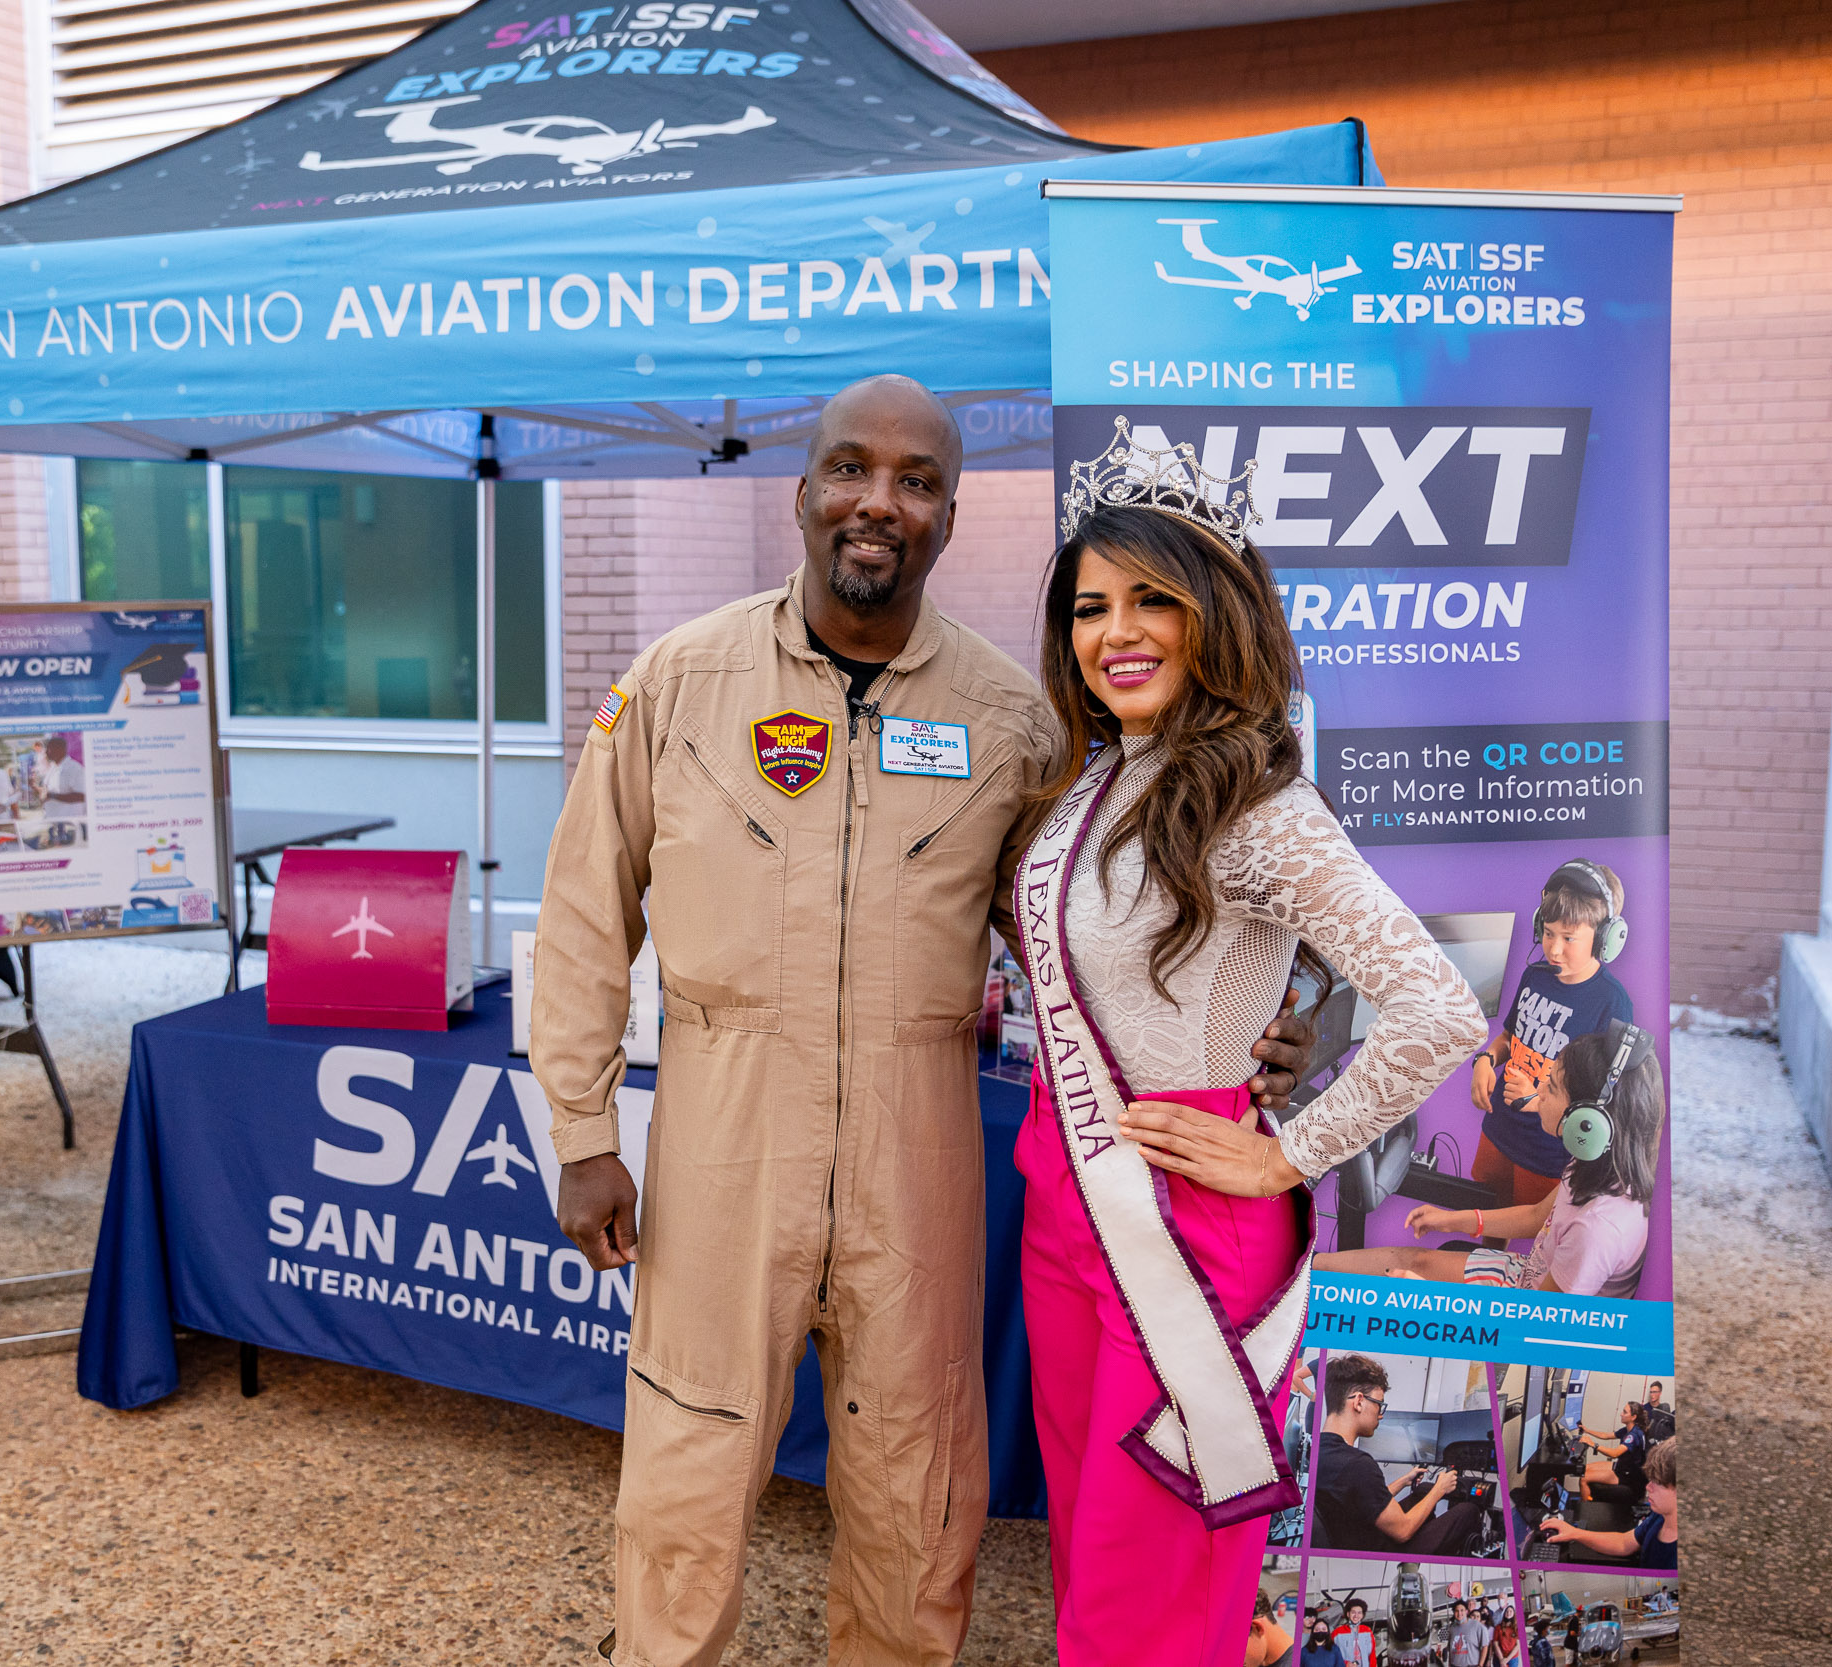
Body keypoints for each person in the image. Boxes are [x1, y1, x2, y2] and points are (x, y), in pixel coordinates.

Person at [528, 378, 1315, 1667]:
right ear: (801, 492)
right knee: (686, 1460)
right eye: (850, 468)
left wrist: (1258, 1022)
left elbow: (1098, 927)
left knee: (916, 1479)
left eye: (916, 481)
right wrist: (580, 1129)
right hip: (725, 1135)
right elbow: (582, 910)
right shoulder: (681, 680)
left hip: (921, 1149)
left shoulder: (1014, 722)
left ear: (950, 516)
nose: (877, 503)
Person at [1013, 431, 1485, 1663]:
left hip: (1183, 1223)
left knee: (1151, 1594)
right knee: (1092, 1563)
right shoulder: (1094, 779)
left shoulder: (1259, 806)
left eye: (1152, 599)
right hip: (1065, 1200)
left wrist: (1287, 1153)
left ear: (1213, 613)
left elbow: (1437, 1004)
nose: (1116, 631)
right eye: (1090, 607)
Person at [1319, 1024, 1660, 1299]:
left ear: (1588, 1124)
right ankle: (1309, 1268)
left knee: (1403, 1284)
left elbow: (1536, 1332)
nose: (1539, 1089)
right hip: (1526, 1278)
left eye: (1553, 1087)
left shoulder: (1597, 1230)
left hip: (1522, 1318)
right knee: (1416, 1260)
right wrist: (1452, 1221)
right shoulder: (1596, 1164)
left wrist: (1430, 1299)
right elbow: (1535, 1217)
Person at [1470, 862, 1635, 1210]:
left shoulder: (1613, 1003)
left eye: (1568, 938)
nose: (1554, 949)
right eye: (1548, 933)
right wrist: (1485, 1060)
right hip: (1500, 1128)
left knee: (1537, 1235)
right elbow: (1509, 1037)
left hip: (1547, 1152)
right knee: (1487, 1216)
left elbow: (1603, 1100)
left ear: (1603, 939)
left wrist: (1540, 1102)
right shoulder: (1536, 975)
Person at [1311, 1355, 1490, 1556]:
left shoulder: (1321, 1451)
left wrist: (1404, 1481)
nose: (1380, 1414)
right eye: (1379, 1404)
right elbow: (1403, 1532)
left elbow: (1362, 1498)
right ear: (1359, 1402)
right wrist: (1440, 1489)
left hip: (1354, 1536)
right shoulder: (1358, 1465)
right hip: (1377, 1551)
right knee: (1468, 1510)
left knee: (1423, 1491)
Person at [1541, 1436, 1677, 1569]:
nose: (1648, 1487)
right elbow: (1623, 1543)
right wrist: (1574, 1533)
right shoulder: (1659, 1517)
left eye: (1658, 1483)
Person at [1576, 1400, 1651, 1500]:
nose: (1621, 1414)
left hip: (1627, 1475)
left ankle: (1586, 1508)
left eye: (1625, 1412)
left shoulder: (1633, 1435)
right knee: (1585, 1469)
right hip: (1622, 1466)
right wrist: (1587, 1430)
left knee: (1583, 1479)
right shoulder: (1629, 1429)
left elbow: (1615, 1453)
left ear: (1633, 1417)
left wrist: (1593, 1444)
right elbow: (1606, 1435)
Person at [39, 734, 86, 817]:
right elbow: (48, 791)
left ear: (60, 750)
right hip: (53, 819)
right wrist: (37, 789)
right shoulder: (52, 768)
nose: (46, 752)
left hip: (70, 822)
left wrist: (52, 796)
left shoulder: (74, 768)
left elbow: (82, 796)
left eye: (49, 749)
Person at [1332, 1599, 1378, 1667]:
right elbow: (1331, 1655)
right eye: (1353, 1612)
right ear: (1348, 1614)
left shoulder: (1367, 1631)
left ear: (1362, 1615)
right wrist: (1345, 1663)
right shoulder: (1337, 1633)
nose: (1356, 1615)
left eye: (1359, 1613)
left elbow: (1372, 1655)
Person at [1449, 1599, 1493, 1667]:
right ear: (1454, 1613)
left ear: (1466, 1611)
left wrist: (1480, 1664)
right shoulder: (1452, 1627)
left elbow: (1485, 1646)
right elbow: (1450, 1648)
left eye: (1462, 1610)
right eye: (1457, 1611)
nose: (1459, 1613)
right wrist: (1449, 1664)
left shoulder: (1477, 1626)